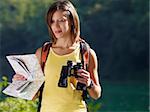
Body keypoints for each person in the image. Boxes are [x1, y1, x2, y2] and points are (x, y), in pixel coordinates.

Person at [12, 0, 102, 112]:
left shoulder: (87, 53)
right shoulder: (42, 53)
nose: (56, 25)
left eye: (61, 20)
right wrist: (21, 82)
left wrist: (89, 83)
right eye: (52, 21)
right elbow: (33, 96)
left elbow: (96, 94)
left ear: (72, 21)